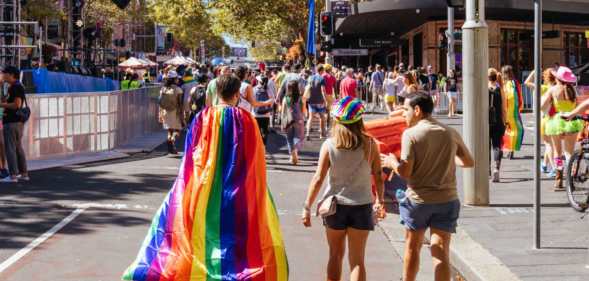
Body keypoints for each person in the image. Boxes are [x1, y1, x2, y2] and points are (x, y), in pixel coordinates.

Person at [123, 74, 288, 281]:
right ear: (237, 94)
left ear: (217, 92)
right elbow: (255, 156)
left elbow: (191, 154)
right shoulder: (247, 119)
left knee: (200, 230)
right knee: (234, 233)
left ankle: (201, 267)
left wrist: (189, 183)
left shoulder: (203, 117)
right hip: (236, 185)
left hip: (204, 184)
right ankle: (230, 269)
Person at [381, 92, 474, 281]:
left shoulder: (411, 134)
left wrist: (391, 162)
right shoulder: (450, 132)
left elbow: (405, 171)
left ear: (417, 110)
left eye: (405, 110)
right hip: (447, 200)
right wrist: (446, 159)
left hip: (418, 201)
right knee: (440, 251)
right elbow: (468, 162)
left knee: (412, 246)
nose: (403, 114)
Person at [302, 97, 386, 281]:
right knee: (357, 261)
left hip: (334, 207)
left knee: (335, 255)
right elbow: (379, 175)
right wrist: (380, 200)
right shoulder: (371, 144)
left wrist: (307, 206)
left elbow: (318, 178)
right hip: (362, 205)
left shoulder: (330, 145)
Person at [541, 66, 584, 190]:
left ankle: (559, 179)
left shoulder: (553, 90)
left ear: (558, 78)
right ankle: (570, 177)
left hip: (557, 121)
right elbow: (577, 106)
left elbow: (542, 106)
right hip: (572, 121)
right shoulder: (573, 90)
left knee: (557, 153)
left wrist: (548, 108)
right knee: (569, 152)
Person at [525, 69, 558, 177]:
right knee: (551, 144)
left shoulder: (544, 88)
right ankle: (544, 164)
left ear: (547, 78)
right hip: (556, 119)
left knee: (548, 145)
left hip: (545, 118)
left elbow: (527, 82)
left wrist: (534, 72)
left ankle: (554, 168)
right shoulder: (558, 88)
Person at [0, 66, 29, 183]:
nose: (3, 75)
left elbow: (16, 104)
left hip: (12, 121)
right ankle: (24, 173)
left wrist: (1, 105)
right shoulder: (16, 86)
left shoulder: (15, 87)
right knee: (17, 147)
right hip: (18, 122)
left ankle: (12, 175)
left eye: (4, 73)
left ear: (11, 74)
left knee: (10, 148)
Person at [158, 70, 184, 154]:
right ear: (174, 79)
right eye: (176, 78)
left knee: (170, 130)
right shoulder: (178, 89)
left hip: (165, 112)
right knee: (178, 130)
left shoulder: (163, 89)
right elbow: (180, 104)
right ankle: (171, 140)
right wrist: (182, 115)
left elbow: (160, 102)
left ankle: (171, 145)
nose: (178, 80)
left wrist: (160, 114)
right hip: (175, 112)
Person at [501, 65, 524, 159]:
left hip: (504, 111)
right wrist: (520, 107)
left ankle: (502, 149)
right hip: (514, 112)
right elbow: (520, 96)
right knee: (516, 130)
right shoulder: (515, 83)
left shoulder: (502, 83)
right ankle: (511, 149)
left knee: (504, 130)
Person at [281, 80, 307, 165]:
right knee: (299, 137)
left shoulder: (285, 98)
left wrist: (282, 122)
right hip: (298, 120)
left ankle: (292, 156)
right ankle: (295, 153)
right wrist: (303, 118)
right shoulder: (300, 98)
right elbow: (303, 111)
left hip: (288, 120)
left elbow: (282, 112)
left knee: (289, 139)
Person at [488, 69, 506, 182]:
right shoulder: (501, 90)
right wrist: (505, 121)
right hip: (498, 121)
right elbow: (504, 108)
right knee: (497, 145)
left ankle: (487, 170)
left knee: (486, 147)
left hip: (486, 121)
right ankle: (496, 169)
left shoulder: (484, 89)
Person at [305, 65, 327, 140]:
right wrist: (325, 100)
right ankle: (321, 134)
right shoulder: (322, 78)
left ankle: (307, 133)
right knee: (322, 117)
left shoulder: (310, 78)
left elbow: (307, 88)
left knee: (310, 118)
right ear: (321, 70)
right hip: (320, 101)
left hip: (311, 101)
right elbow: (323, 90)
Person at [253, 75, 275, 145]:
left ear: (259, 81)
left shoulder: (254, 89)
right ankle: (263, 150)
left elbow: (251, 102)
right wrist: (268, 108)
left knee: (256, 133)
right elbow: (272, 100)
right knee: (264, 132)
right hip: (266, 114)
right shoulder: (268, 89)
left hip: (255, 114)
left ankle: (258, 150)